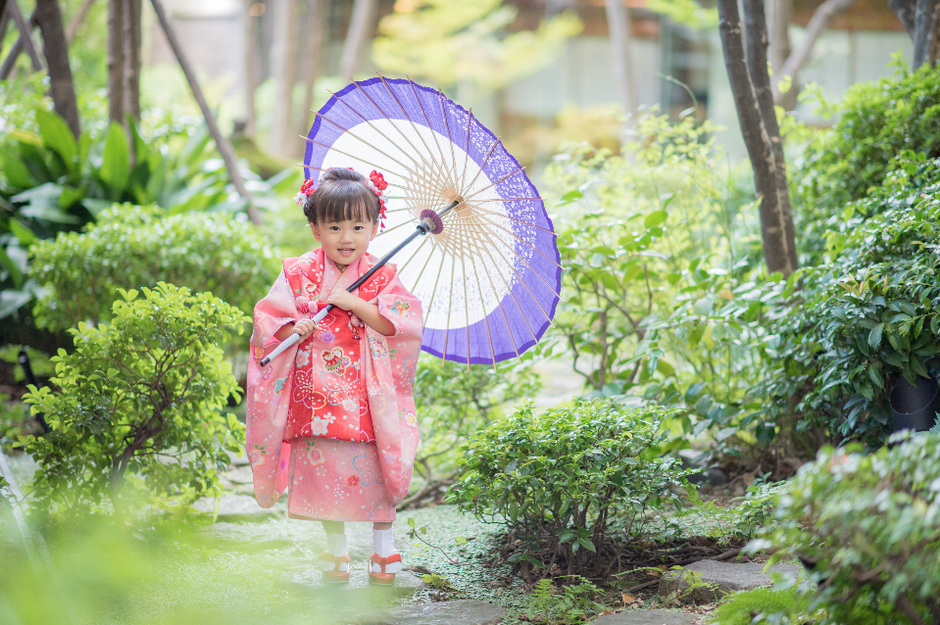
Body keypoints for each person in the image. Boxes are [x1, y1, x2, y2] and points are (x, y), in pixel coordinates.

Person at [246, 167, 423, 585]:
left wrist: (355, 304)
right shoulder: (296, 273)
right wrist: (295, 328)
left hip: (366, 396)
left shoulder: (383, 274)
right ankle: (337, 550)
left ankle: (383, 547)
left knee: (377, 472)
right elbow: (268, 322)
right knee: (323, 478)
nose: (347, 237)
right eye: (335, 226)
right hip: (316, 398)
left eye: (359, 226)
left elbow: (401, 325)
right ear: (315, 228)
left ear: (376, 226)